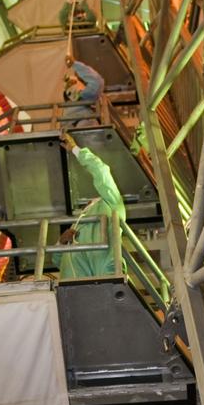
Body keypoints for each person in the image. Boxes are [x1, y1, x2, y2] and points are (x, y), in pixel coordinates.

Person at [59, 134, 126, 279]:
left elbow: (100, 170)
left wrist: (75, 149)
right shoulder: (78, 222)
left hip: (104, 279)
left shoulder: (110, 202)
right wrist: (61, 242)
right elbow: (57, 261)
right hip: (70, 286)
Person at [62, 59, 105, 129]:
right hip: (85, 128)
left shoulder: (66, 114)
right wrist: (75, 64)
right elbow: (97, 83)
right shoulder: (82, 98)